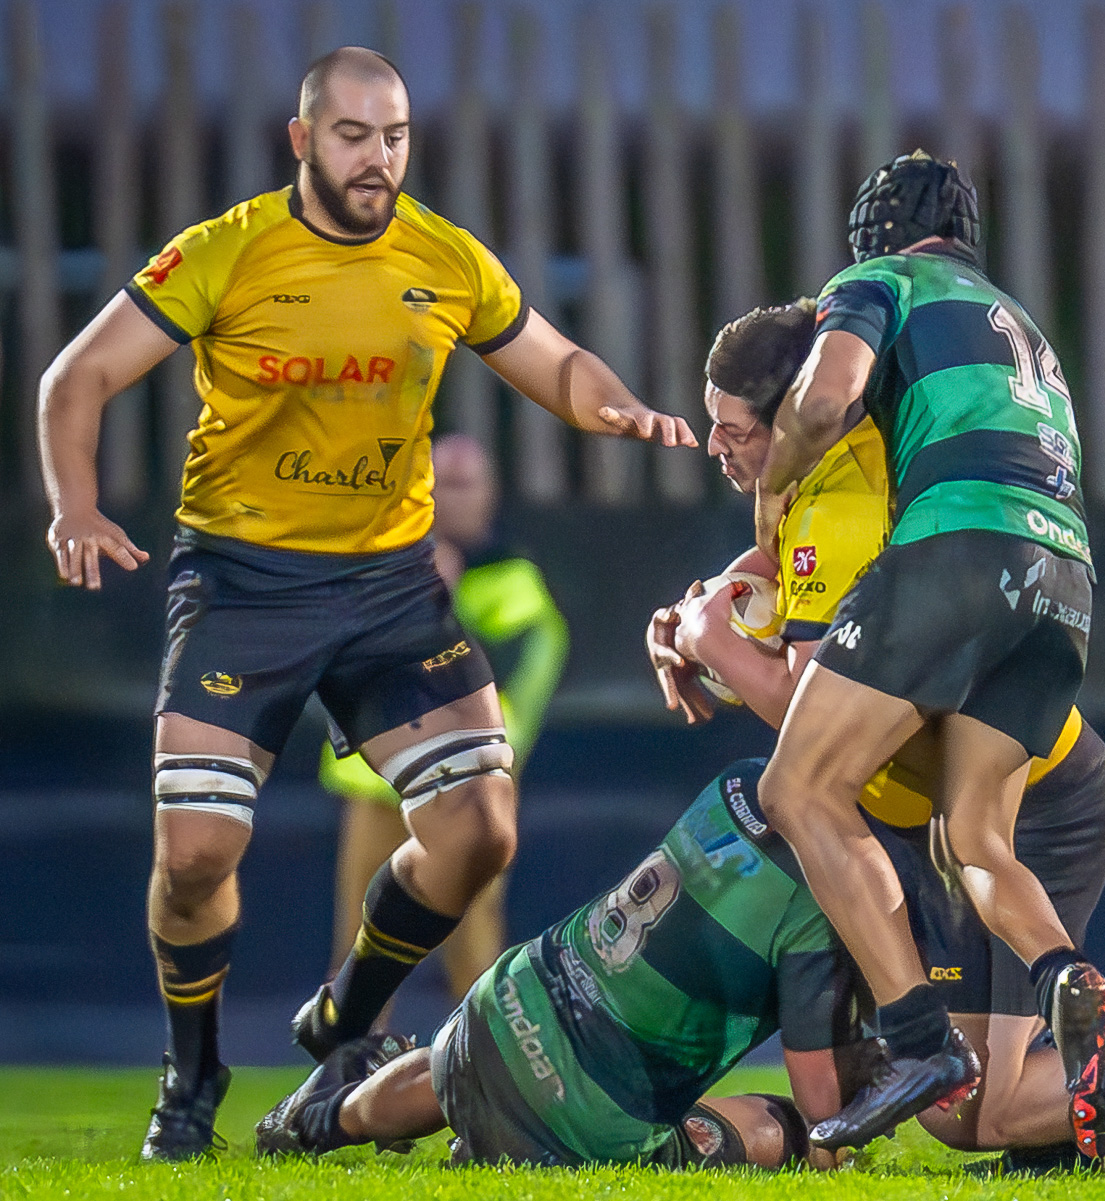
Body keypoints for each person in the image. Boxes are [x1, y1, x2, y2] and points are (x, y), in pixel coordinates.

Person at [35, 47, 695, 1160]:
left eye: (394, 137)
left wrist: (617, 407)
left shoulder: (443, 256)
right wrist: (75, 507)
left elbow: (555, 359)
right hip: (244, 581)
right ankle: (190, 1076)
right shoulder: (229, 251)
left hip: (389, 584)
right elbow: (76, 379)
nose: (377, 158)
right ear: (301, 141)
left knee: (482, 831)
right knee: (193, 856)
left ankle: (346, 1014)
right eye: (352, 136)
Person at [644, 301, 1105, 1173]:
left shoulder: (851, 499)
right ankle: (1039, 1127)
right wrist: (695, 609)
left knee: (970, 1110)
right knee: (962, 1088)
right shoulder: (799, 480)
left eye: (732, 430)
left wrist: (712, 643)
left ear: (792, 414)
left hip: (1035, 800)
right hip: (937, 803)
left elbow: (811, 714)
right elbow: (774, 581)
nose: (715, 447)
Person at [254, 760, 1105, 1175]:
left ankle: (317, 1116)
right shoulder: (838, 902)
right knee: (804, 1127)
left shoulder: (746, 779)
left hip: (500, 1002)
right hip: (595, 1117)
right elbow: (819, 1098)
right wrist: (847, 1103)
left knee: (459, 1066)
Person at [735, 153, 1105, 1156]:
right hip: (1067, 579)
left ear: (876, 233)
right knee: (979, 838)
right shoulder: (1016, 316)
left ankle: (918, 1040)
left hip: (962, 542)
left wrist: (773, 494)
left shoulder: (880, 283)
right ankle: (1063, 974)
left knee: (799, 789)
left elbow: (828, 397)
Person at [321, 434, 568, 1005]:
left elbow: (503, 680)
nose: (447, 498)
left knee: (473, 947)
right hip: (378, 781)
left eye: (462, 484)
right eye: (437, 484)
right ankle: (345, 1074)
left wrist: (440, 602)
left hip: (469, 786)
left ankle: (480, 1074)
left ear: (491, 496)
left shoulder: (514, 582)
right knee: (358, 943)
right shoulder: (380, 570)